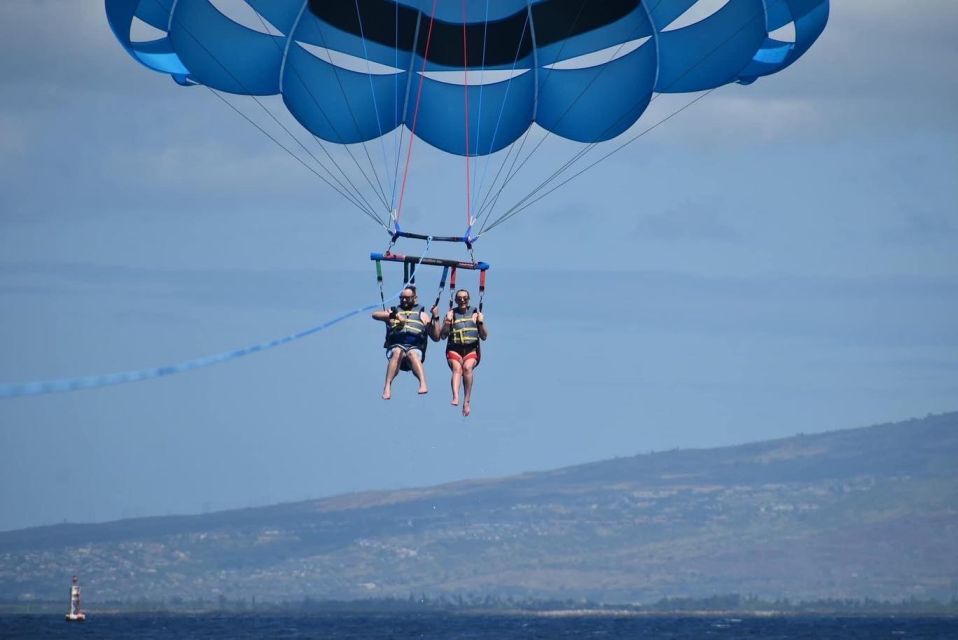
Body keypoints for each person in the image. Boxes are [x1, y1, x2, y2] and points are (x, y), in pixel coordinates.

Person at [372, 286, 440, 400]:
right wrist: (394, 315)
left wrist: (436, 317)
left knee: (411, 353)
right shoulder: (393, 312)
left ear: (415, 298)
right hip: (396, 349)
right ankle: (387, 386)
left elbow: (436, 337)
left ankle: (423, 383)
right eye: (402, 298)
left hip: (415, 349)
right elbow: (374, 315)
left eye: (407, 298)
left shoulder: (422, 315)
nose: (404, 300)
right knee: (398, 351)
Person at [440, 289, 487, 416]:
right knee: (457, 369)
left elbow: (484, 336)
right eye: (459, 298)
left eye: (465, 298)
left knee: (467, 368)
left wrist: (480, 322)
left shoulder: (476, 313)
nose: (462, 300)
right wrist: (447, 322)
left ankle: (466, 401)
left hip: (471, 350)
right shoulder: (451, 314)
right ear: (455, 300)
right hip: (454, 350)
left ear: (469, 299)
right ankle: (455, 396)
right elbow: (443, 336)